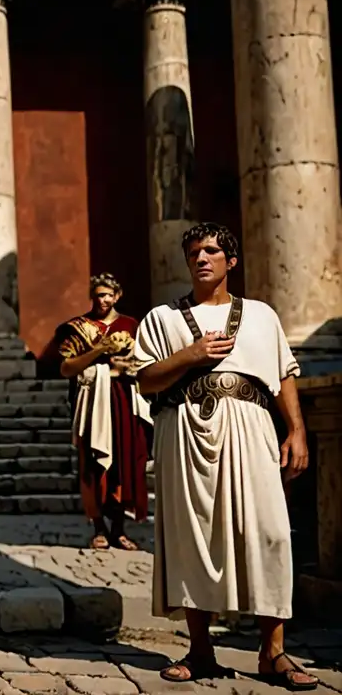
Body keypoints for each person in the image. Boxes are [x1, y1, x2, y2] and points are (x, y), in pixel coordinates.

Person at [132, 222, 319, 690]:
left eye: (212, 250)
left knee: (270, 533)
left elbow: (283, 374)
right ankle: (200, 651)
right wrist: (190, 355)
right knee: (192, 537)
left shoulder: (260, 316)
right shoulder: (162, 318)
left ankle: (273, 653)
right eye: (194, 251)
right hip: (186, 427)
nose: (202, 258)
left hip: (252, 425)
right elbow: (146, 380)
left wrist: (295, 430)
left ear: (230, 261)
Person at [57, 273, 152, 550]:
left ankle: (120, 529)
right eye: (98, 295)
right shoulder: (79, 328)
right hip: (92, 402)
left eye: (108, 295)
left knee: (125, 465)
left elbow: (144, 362)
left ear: (117, 296)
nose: (103, 300)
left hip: (124, 400)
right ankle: (98, 527)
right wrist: (98, 349)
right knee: (93, 465)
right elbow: (66, 368)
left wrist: (126, 366)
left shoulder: (131, 325)